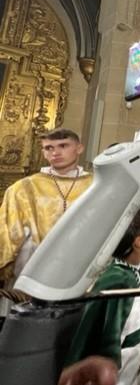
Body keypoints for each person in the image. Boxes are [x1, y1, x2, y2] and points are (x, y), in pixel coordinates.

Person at [65, 209, 140, 385]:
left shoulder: (138, 269)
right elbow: (106, 353)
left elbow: (138, 325)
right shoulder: (117, 282)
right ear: (138, 240)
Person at [0, 128, 92, 315]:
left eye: (63, 146)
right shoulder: (24, 188)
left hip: (83, 276)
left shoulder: (96, 186)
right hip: (32, 281)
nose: (55, 152)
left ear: (79, 148)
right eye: (48, 148)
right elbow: (7, 236)